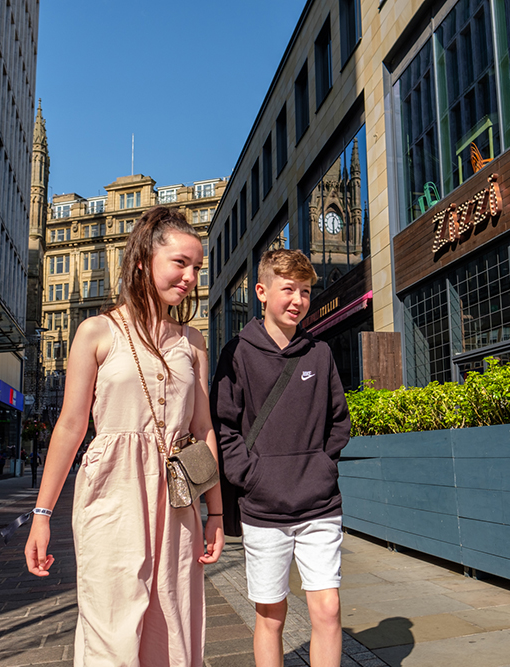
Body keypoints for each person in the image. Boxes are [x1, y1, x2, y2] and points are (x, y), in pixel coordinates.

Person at [24, 206, 225, 667]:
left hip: (176, 498)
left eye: (197, 267)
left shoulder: (192, 343)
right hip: (111, 492)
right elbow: (71, 427)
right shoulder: (96, 332)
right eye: (180, 263)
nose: (191, 276)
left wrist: (215, 511)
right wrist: (41, 514)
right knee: (111, 626)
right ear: (142, 261)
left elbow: (202, 430)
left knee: (172, 622)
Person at [211, 249, 350, 667]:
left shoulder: (319, 352)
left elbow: (338, 421)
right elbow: (224, 427)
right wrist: (253, 477)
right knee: (271, 616)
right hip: (264, 509)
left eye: (305, 291)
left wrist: (321, 469)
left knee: (327, 610)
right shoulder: (237, 353)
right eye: (288, 289)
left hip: (319, 504)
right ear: (262, 292)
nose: (298, 300)